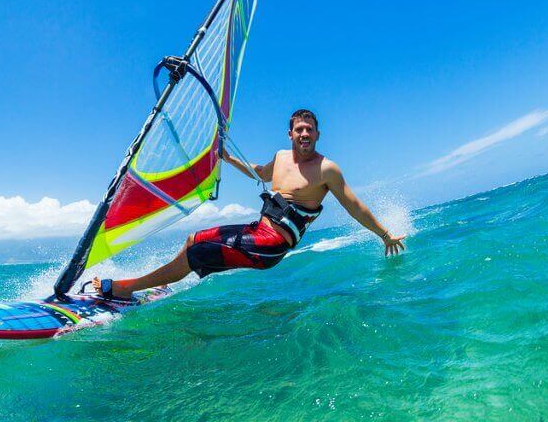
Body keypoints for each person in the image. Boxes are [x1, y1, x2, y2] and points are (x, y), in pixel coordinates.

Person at [93, 109, 406, 300]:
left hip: (271, 246)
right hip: (257, 232)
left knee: (195, 249)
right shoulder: (281, 158)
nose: (304, 133)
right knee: (193, 244)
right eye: (299, 129)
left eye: (309, 129)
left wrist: (384, 234)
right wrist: (228, 158)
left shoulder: (327, 169)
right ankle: (157, 280)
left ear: (318, 134)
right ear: (290, 134)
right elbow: (259, 173)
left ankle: (125, 288)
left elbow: (354, 206)